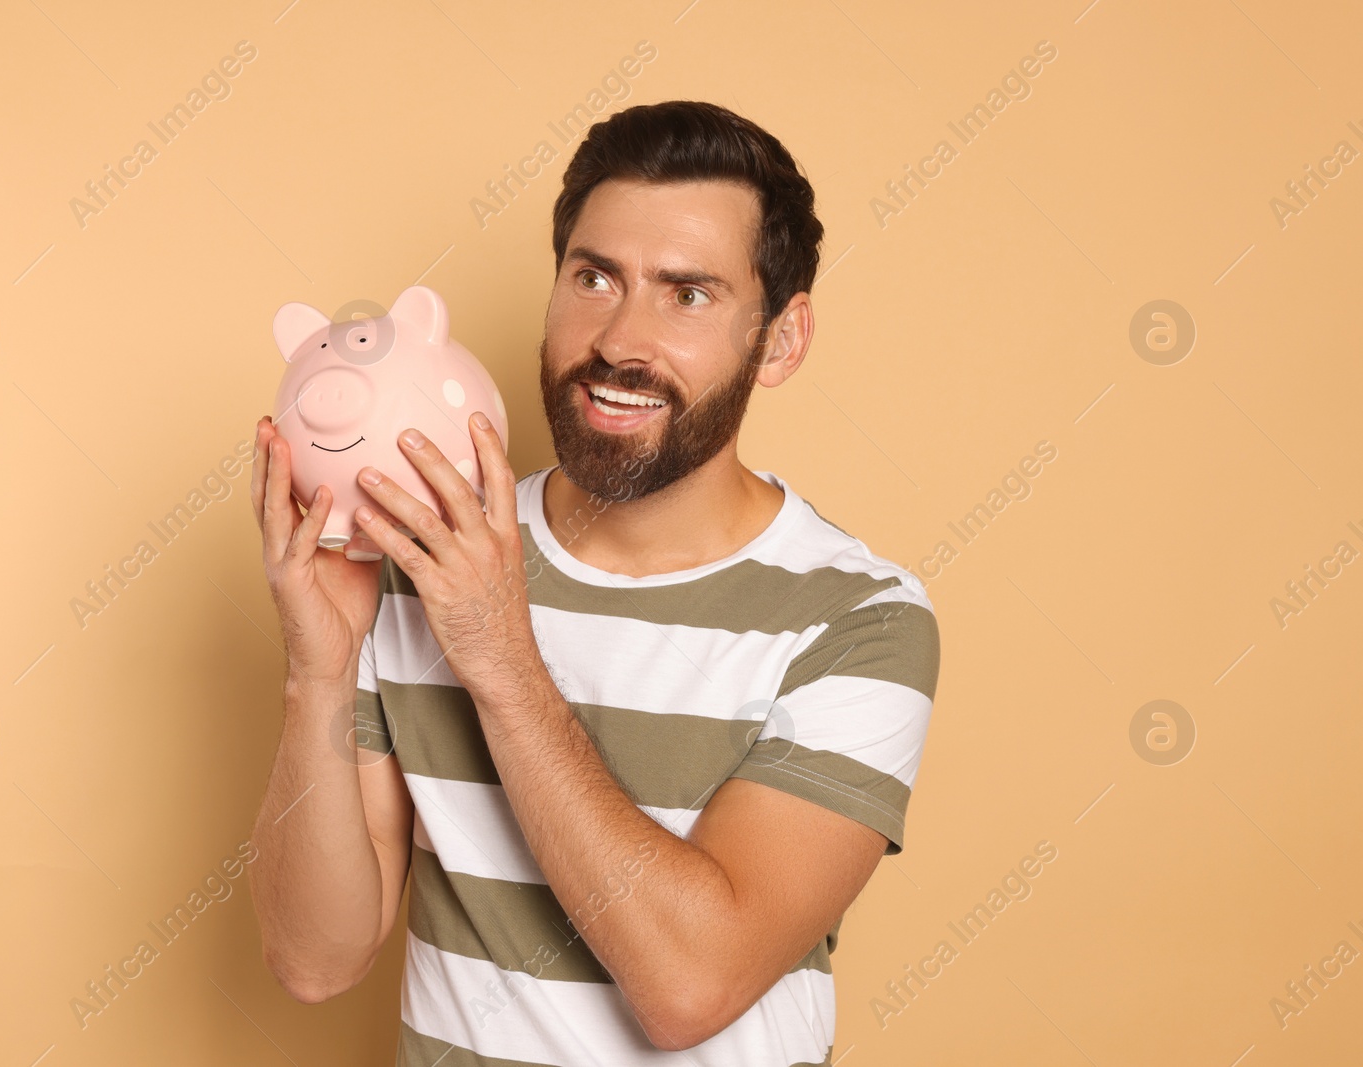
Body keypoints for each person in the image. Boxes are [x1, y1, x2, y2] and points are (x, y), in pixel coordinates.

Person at [246, 99, 940, 1066]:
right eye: (595, 276)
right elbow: (314, 959)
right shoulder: (422, 553)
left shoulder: (859, 619)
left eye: (687, 293)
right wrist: (316, 671)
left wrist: (497, 655)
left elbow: (688, 986)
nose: (621, 339)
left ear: (781, 339)